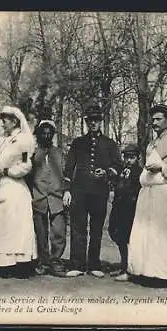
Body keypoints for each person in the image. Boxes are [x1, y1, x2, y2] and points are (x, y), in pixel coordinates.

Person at [127, 104, 167, 287]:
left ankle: (165, 274)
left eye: (158, 119)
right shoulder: (151, 144)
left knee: (163, 234)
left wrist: (163, 167)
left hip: (165, 193)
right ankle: (147, 271)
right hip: (148, 194)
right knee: (147, 233)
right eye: (153, 119)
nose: (154, 123)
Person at [63, 104, 122, 278]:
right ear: (87, 122)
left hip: (99, 192)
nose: (93, 123)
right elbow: (69, 168)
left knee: (96, 229)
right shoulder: (78, 143)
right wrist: (67, 190)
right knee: (77, 228)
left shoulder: (110, 144)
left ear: (101, 121)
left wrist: (107, 172)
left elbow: (118, 165)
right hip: (79, 192)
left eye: (96, 120)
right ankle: (77, 264)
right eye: (90, 120)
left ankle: (94, 264)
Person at [0, 106, 37, 279]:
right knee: (0, 226)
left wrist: (5, 171)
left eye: (5, 119)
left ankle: (18, 265)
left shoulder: (23, 140)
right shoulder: (1, 140)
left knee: (14, 228)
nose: (2, 122)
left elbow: (26, 165)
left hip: (14, 190)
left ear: (14, 121)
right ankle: (1, 264)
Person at [31, 119, 67, 277]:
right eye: (43, 133)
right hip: (38, 197)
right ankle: (43, 261)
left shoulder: (59, 153)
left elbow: (67, 174)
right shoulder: (34, 153)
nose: (46, 135)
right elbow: (27, 175)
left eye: (49, 133)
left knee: (58, 231)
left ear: (53, 135)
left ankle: (56, 261)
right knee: (40, 232)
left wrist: (67, 191)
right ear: (39, 135)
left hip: (57, 197)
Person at [107, 144, 142, 282]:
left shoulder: (139, 172)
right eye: (126, 157)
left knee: (127, 237)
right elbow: (116, 184)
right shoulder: (122, 170)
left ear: (138, 158)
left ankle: (129, 268)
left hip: (130, 209)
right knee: (115, 233)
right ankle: (123, 265)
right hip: (118, 207)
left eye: (132, 157)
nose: (128, 160)